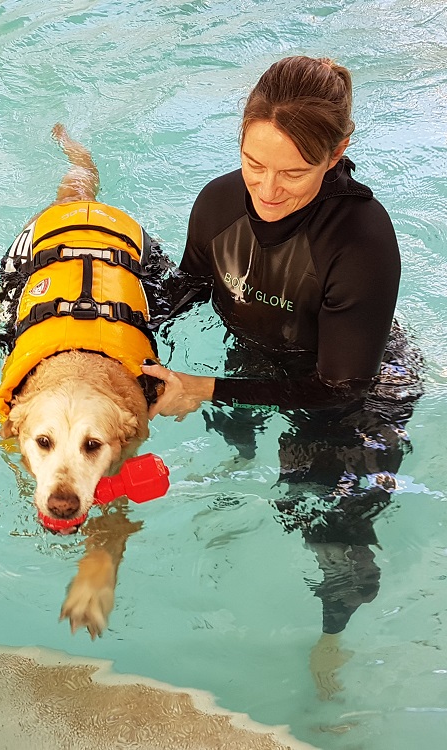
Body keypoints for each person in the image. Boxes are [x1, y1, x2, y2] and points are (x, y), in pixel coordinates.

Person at [143, 55, 424, 699]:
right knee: (232, 426)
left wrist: (203, 386)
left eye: (295, 173)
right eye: (254, 163)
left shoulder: (362, 239)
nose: (267, 191)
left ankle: (332, 639)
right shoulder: (218, 202)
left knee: (325, 521)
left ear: (337, 154)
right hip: (260, 357)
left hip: (357, 387)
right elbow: (188, 285)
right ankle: (229, 474)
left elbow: (342, 386)